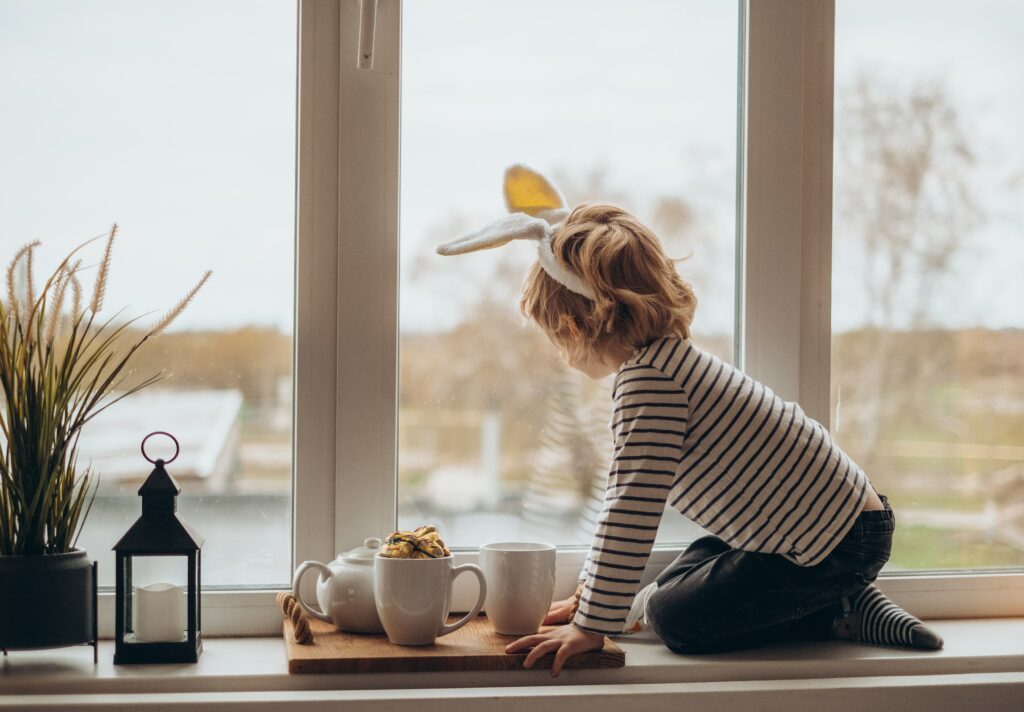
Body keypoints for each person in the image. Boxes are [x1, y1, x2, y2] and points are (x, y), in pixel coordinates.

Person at [437, 165, 943, 678]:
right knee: (690, 564)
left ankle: (839, 609)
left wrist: (591, 625)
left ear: (572, 327)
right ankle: (841, 594)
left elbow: (630, 505)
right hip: (838, 525)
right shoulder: (670, 362)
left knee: (676, 619)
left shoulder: (648, 383)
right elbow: (628, 507)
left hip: (833, 545)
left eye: (554, 338)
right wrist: (591, 595)